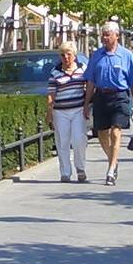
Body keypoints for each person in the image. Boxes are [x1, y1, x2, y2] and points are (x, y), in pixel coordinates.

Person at [80, 21, 133, 186]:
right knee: (102, 133)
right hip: (101, 96)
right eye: (103, 35)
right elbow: (90, 81)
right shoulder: (96, 55)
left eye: (107, 35)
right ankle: (113, 159)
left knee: (115, 131)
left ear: (116, 36)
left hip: (120, 96)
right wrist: (86, 103)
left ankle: (111, 169)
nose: (104, 38)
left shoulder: (126, 55)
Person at [48, 42, 89, 182]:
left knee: (79, 139)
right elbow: (51, 94)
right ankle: (65, 172)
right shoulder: (55, 72)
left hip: (78, 109)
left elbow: (89, 86)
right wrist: (49, 113)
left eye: (68, 54)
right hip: (60, 111)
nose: (65, 57)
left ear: (74, 55)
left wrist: (87, 104)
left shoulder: (82, 69)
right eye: (62, 54)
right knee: (62, 142)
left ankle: (80, 167)